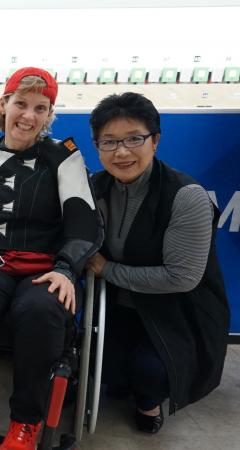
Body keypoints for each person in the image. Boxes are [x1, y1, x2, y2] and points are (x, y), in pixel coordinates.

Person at [0, 67, 103, 450]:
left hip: (45, 268)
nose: (29, 115)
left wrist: (66, 268)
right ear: (4, 105)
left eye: (40, 108)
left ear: (49, 115)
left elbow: (83, 221)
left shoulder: (63, 157)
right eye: (21, 104)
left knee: (41, 311)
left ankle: (25, 422)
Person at [86, 92, 229, 434]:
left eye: (134, 138)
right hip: (120, 306)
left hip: (176, 311)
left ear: (156, 140)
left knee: (150, 372)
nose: (121, 152)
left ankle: (150, 403)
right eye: (109, 141)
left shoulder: (186, 195)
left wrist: (107, 270)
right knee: (101, 368)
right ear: (98, 146)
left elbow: (182, 277)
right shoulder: (95, 186)